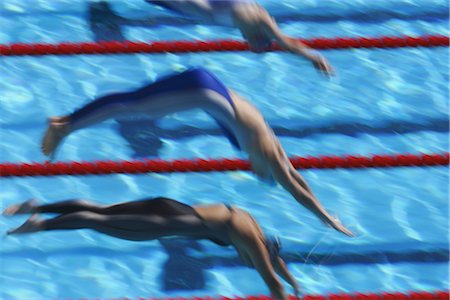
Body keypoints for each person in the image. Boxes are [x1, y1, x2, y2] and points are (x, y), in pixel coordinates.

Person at [41, 68, 353, 237]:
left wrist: (322, 209)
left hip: (205, 82)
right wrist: (325, 217)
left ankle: (65, 123)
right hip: (204, 93)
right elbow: (295, 187)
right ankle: (64, 126)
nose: (255, 171)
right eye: (261, 174)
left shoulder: (271, 148)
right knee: (132, 107)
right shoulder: (268, 154)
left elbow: (296, 178)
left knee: (133, 102)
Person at [4, 197, 300, 299]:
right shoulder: (252, 242)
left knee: (103, 210)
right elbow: (272, 281)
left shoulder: (255, 227)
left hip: (170, 206)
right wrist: (285, 289)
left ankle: (37, 206)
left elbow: (277, 267)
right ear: (263, 252)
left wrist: (296, 285)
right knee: (96, 221)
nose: (250, 263)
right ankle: (39, 225)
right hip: (166, 222)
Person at [145, 0, 334, 76]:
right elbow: (287, 43)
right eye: (260, 46)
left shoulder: (250, 21)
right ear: (262, 38)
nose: (253, 47)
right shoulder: (260, 19)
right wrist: (313, 57)